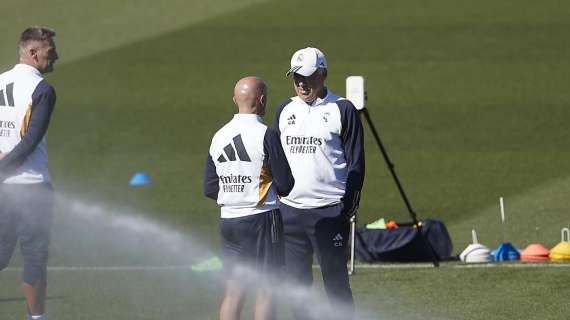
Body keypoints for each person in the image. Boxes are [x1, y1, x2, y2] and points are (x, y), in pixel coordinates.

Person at [274, 47, 365, 320]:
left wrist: (345, 207)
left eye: (309, 76)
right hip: (290, 213)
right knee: (297, 287)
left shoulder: (342, 109)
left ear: (323, 74)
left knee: (336, 284)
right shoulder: (284, 109)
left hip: (329, 212)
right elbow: (276, 161)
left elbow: (357, 164)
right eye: (296, 77)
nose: (302, 83)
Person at [204, 76, 294, 320]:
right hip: (262, 219)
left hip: (229, 222)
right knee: (266, 290)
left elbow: (209, 187)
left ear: (235, 100)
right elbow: (286, 184)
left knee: (234, 291)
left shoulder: (218, 136)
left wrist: (235, 194)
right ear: (262, 100)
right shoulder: (266, 134)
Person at [0, 26, 59, 320]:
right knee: (35, 258)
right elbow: (30, 141)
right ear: (33, 53)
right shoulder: (43, 90)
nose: (56, 57)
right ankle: (37, 318)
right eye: (51, 51)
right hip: (32, 187)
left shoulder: (0, 82)